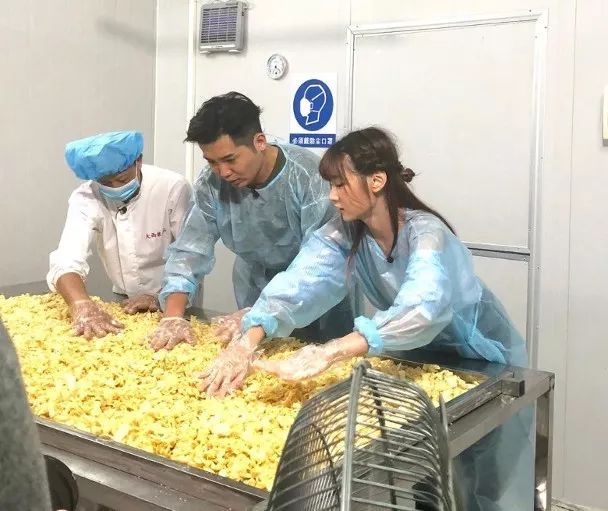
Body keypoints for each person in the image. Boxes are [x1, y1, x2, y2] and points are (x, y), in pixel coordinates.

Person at [202, 127, 533, 510]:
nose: (332, 195)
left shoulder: (426, 234)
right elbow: (299, 283)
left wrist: (332, 351)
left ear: (376, 181)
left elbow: (423, 309)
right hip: (418, 357)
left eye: (340, 184)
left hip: (482, 356)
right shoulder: (345, 234)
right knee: (434, 475)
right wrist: (248, 340)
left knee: (488, 473)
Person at [150, 92, 354, 351]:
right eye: (212, 162)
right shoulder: (212, 183)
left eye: (230, 159)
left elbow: (323, 261)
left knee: (319, 357)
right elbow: (190, 249)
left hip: (316, 289)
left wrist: (267, 310)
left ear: (259, 142)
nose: (223, 172)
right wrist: (172, 317)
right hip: (254, 285)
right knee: (255, 356)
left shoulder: (309, 178)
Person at [47, 131, 192, 339]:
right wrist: (81, 304)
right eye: (105, 182)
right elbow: (67, 258)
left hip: (174, 300)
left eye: (122, 179)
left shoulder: (172, 188)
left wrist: (159, 297)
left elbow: (188, 256)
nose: (115, 187)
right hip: (124, 299)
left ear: (138, 161)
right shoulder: (86, 196)